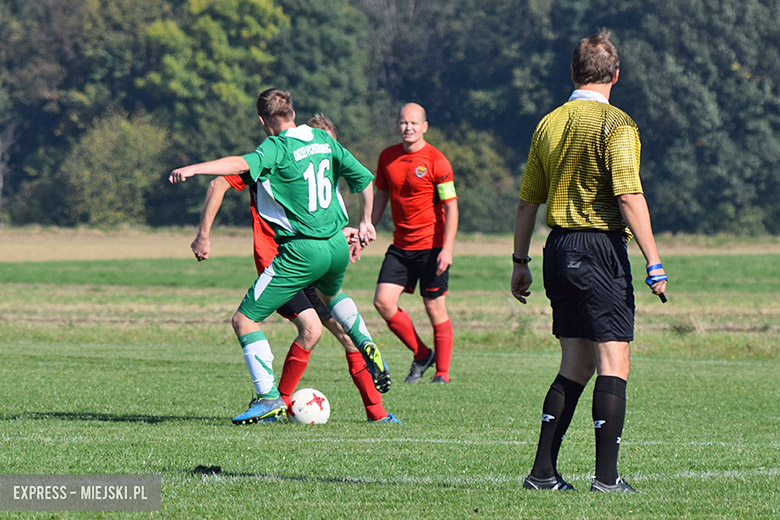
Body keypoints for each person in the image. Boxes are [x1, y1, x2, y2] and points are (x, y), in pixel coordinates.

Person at [170, 89, 392, 425]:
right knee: (326, 309)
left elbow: (237, 164)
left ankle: (270, 398)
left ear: (263, 121)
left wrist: (192, 168)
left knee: (246, 321)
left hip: (297, 255)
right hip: (330, 248)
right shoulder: (320, 142)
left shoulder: (275, 148)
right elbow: (362, 178)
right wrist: (362, 223)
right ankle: (366, 349)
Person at [511, 31, 667, 493]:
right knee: (614, 358)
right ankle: (606, 478)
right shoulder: (616, 124)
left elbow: (527, 202)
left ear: (572, 73)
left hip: (557, 249)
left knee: (576, 363)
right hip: (598, 248)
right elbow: (628, 194)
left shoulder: (549, 123)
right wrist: (653, 260)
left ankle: (542, 474)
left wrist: (519, 261)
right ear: (616, 75)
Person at [371, 103, 458, 384]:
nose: (407, 128)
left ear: (424, 127)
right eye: (403, 123)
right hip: (400, 246)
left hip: (432, 246)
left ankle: (442, 374)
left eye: (413, 123)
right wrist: (368, 226)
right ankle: (422, 354)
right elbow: (381, 195)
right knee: (383, 302)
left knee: (434, 307)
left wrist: (447, 249)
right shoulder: (387, 158)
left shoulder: (437, 161)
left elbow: (452, 208)